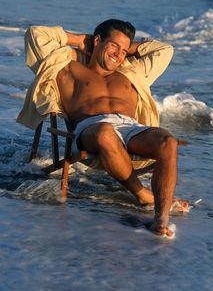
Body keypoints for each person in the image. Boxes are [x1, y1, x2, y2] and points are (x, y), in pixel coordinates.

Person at [17, 19, 188, 238]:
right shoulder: (67, 67)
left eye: (124, 50)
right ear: (97, 41)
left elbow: (165, 50)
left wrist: (126, 47)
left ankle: (161, 219)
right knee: (106, 132)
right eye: (114, 45)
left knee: (168, 141)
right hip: (91, 128)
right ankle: (142, 194)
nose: (119, 54)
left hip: (130, 128)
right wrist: (80, 40)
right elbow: (35, 34)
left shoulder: (132, 71)